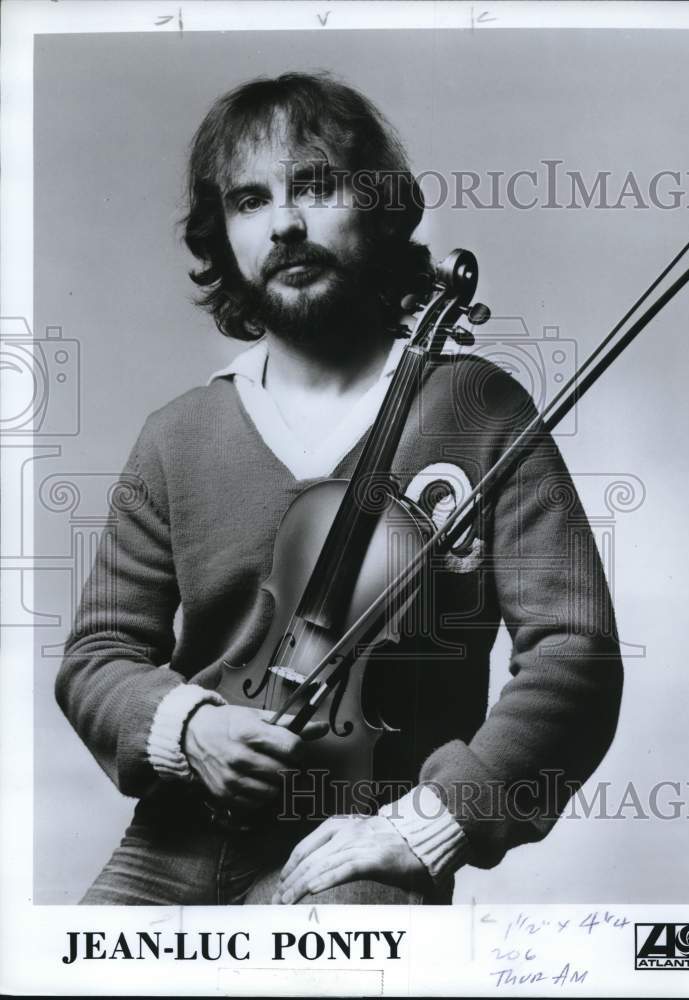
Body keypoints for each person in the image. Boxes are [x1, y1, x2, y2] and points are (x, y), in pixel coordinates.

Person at [56, 72, 624, 906]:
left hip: (360, 838)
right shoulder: (176, 436)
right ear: (225, 236)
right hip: (173, 841)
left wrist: (430, 824)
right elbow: (97, 655)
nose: (284, 222)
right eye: (250, 201)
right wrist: (189, 727)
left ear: (383, 207)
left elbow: (576, 656)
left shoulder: (479, 412)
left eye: (316, 186)